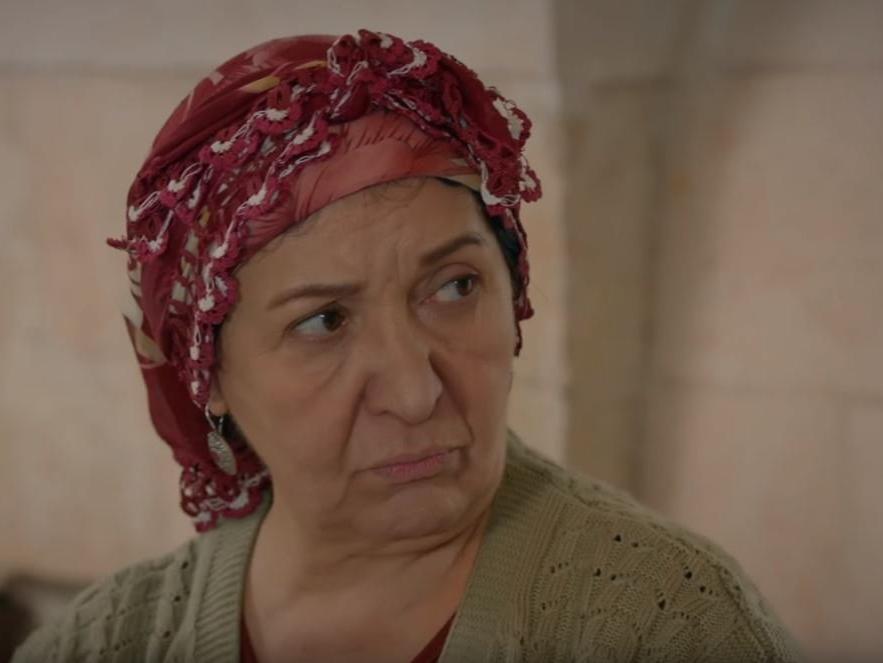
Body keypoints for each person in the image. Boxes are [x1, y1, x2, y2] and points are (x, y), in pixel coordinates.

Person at [14, 30, 800, 662]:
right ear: (205, 372)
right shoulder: (106, 639)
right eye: (324, 321)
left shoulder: (666, 624)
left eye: (454, 287)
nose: (416, 391)